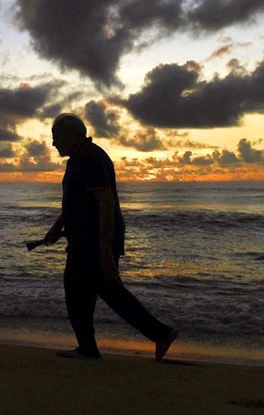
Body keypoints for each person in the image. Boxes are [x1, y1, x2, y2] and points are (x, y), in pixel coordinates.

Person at [43, 113, 178, 361]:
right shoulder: (76, 160)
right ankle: (160, 334)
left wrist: (105, 250)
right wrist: (57, 227)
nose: (53, 144)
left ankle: (91, 348)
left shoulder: (92, 158)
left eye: (56, 137)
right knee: (105, 293)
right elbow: (76, 202)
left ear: (73, 134)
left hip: (94, 242)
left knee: (81, 292)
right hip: (85, 240)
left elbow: (106, 204)